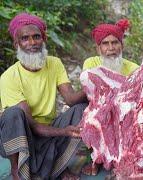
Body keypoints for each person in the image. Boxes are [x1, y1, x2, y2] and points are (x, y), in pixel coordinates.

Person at [0, 13, 87, 180]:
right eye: (25, 38)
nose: (32, 43)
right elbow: (32, 126)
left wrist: (95, 85)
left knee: (81, 110)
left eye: (36, 37)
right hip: (24, 133)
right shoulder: (8, 77)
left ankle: (59, 167)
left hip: (50, 127)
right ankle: (17, 171)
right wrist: (63, 131)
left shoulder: (54, 63)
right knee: (12, 114)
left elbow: (70, 99)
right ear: (16, 44)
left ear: (43, 39)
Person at [81, 19, 139, 176]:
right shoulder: (90, 62)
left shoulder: (133, 68)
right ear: (98, 48)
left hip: (125, 115)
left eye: (115, 43)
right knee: (92, 113)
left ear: (122, 45)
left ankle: (121, 159)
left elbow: (135, 98)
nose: (111, 48)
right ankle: (96, 158)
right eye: (105, 44)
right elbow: (92, 90)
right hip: (100, 111)